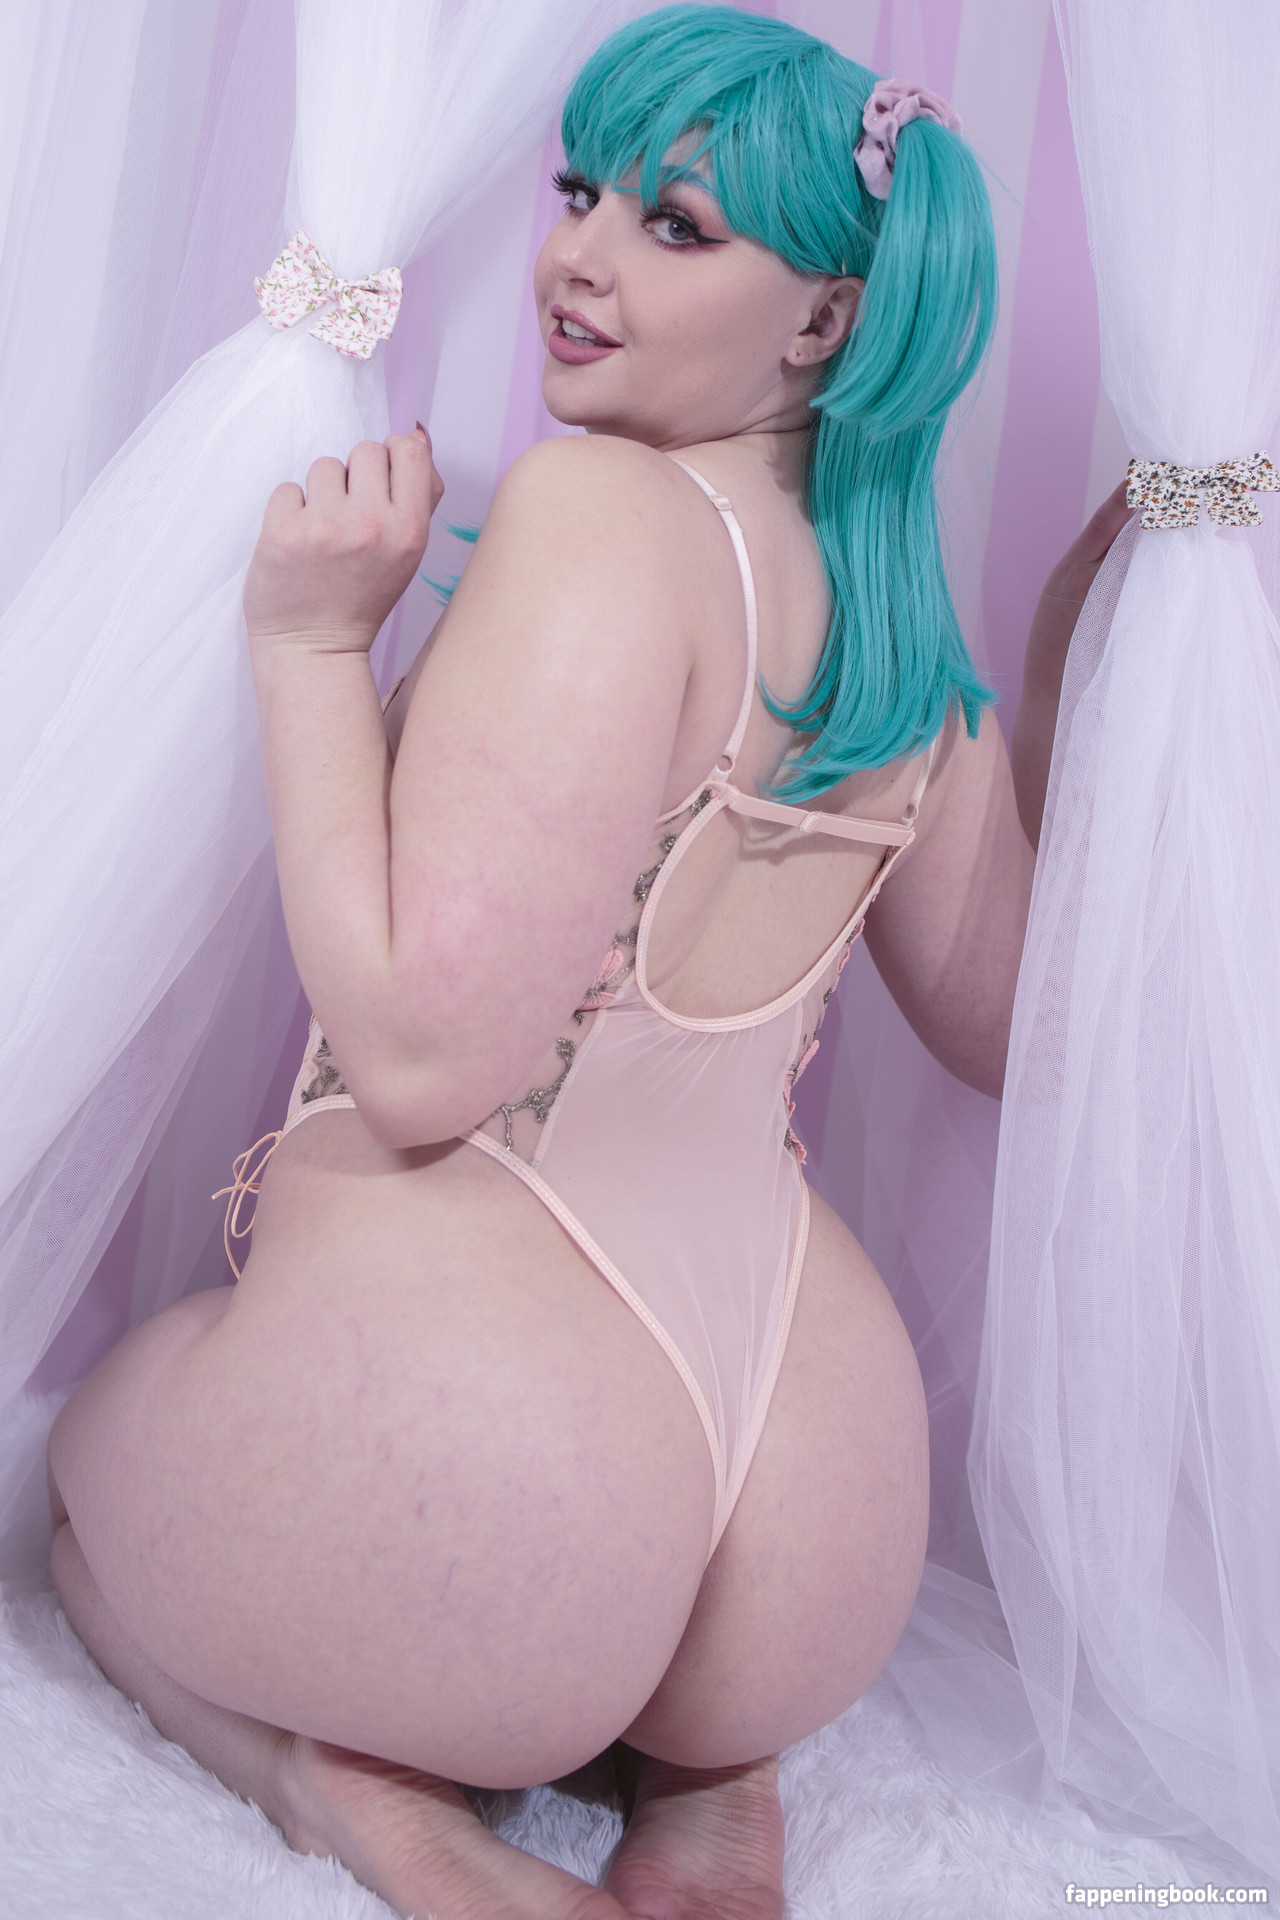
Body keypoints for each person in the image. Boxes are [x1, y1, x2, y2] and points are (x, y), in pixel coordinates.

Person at [43, 9, 1132, 1917]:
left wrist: (311, 648)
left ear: (825, 319)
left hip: (509, 1473)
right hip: (809, 1503)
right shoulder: (902, 630)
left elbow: (416, 1062)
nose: (578, 255)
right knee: (606, 1609)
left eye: (674, 225)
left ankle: (345, 1781)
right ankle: (711, 1775)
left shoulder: (603, 514)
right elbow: (1003, 1026)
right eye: (581, 192)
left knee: (76, 1490)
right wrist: (1056, 684)